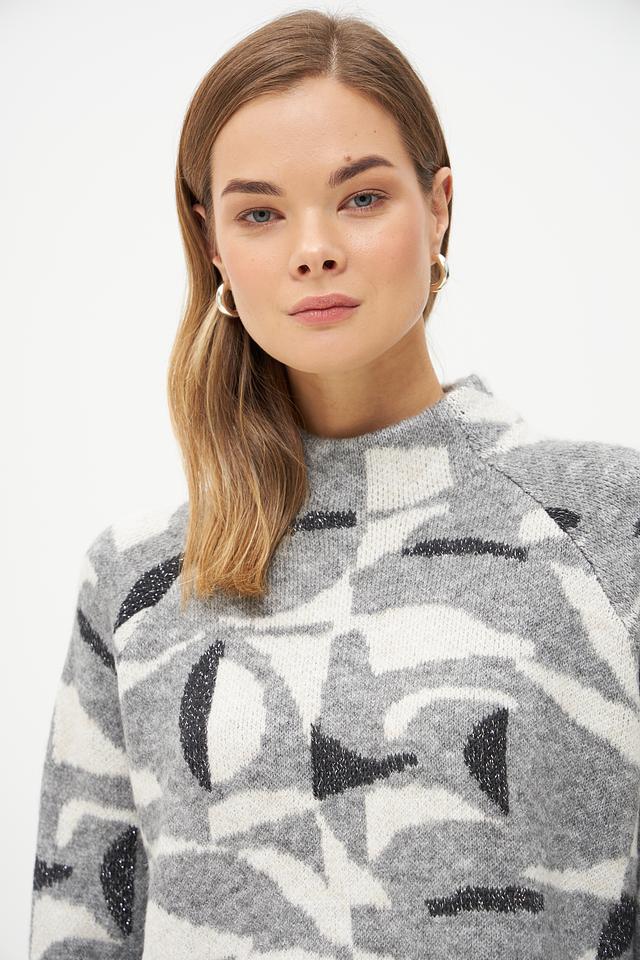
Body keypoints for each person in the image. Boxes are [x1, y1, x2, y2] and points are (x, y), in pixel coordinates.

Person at [28, 9, 640, 959]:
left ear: (439, 207)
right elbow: (79, 933)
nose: (313, 248)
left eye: (361, 198)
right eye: (260, 213)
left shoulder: (609, 523)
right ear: (213, 242)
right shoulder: (137, 581)